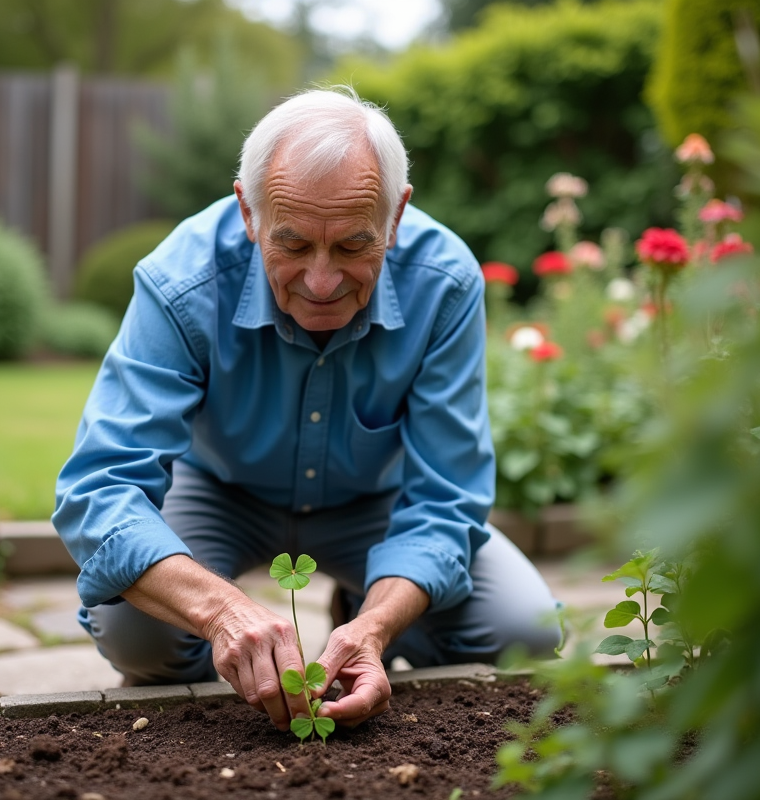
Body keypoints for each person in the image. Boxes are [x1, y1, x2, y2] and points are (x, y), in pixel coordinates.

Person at [53, 87, 560, 733]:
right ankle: (209, 680)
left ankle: (364, 605)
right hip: (218, 492)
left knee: (527, 633)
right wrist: (222, 614)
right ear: (247, 211)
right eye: (291, 246)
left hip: (373, 504)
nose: (321, 282)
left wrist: (375, 625)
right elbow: (100, 487)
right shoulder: (180, 279)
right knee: (140, 637)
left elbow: (447, 496)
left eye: (353, 247)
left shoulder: (445, 281)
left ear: (396, 215)